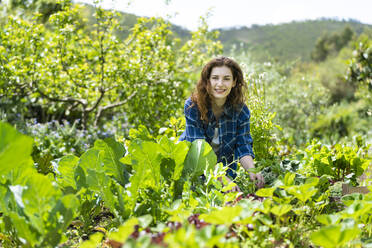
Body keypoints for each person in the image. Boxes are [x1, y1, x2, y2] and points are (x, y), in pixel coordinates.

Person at [179, 56, 264, 191]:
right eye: (215, 78)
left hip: (226, 174)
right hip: (194, 172)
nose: (220, 84)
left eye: (226, 79)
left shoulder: (241, 111)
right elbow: (198, 151)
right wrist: (222, 178)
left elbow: (243, 146)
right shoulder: (193, 107)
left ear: (234, 82)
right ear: (207, 81)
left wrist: (252, 170)